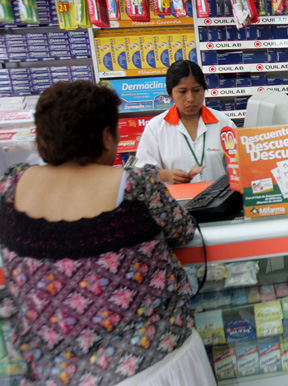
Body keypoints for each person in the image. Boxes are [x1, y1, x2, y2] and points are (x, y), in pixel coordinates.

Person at [0, 81, 216, 386]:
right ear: (106, 137)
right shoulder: (134, 185)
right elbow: (182, 231)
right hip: (154, 364)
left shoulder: (10, 186)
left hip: (55, 373)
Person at [136, 60, 236, 184]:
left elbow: (238, 166)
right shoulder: (156, 127)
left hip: (219, 196)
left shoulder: (223, 123)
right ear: (170, 94)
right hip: (175, 196)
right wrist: (165, 175)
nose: (190, 98)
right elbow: (142, 173)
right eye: (182, 91)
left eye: (196, 90)